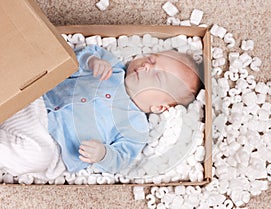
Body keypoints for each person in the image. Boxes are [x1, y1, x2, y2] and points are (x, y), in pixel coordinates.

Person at [0, 44, 201, 177]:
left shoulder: (136, 129)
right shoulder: (113, 67)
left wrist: (103, 153)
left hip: (55, 147)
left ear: (159, 107)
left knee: (36, 158)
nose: (146, 67)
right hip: (40, 105)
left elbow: (121, 160)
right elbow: (79, 57)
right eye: (151, 60)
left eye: (157, 77)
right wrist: (92, 62)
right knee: (21, 87)